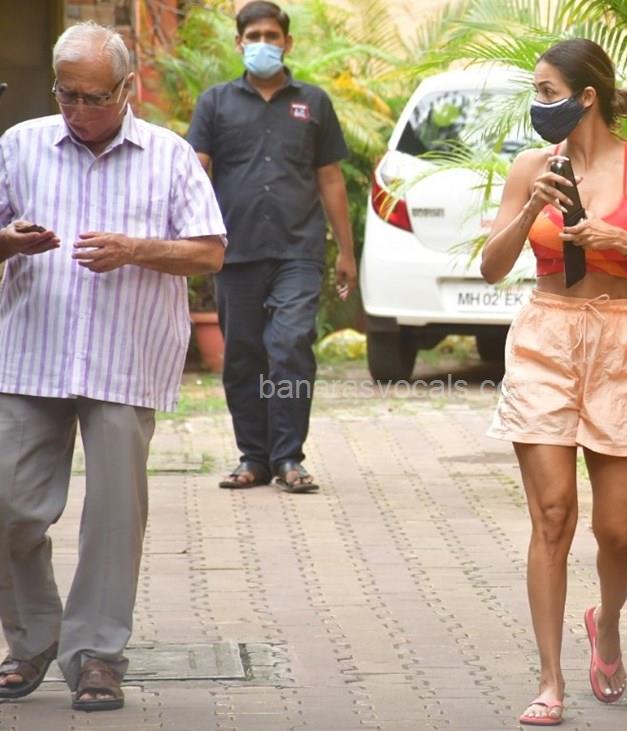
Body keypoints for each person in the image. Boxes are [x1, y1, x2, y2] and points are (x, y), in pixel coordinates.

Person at [0, 22, 226, 711]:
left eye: (94, 97)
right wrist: (8, 242)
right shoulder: (19, 145)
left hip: (124, 358)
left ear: (127, 88)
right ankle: (32, 637)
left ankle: (97, 654)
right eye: (66, 94)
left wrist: (136, 249)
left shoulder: (170, 156)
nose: (78, 110)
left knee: (113, 515)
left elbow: (210, 251)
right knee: (8, 504)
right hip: (31, 354)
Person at [482, 39, 627, 726]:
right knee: (552, 516)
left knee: (621, 529)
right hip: (545, 339)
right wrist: (528, 210)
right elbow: (491, 266)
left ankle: (606, 622)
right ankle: (550, 679)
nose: (537, 104)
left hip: (618, 343)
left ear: (587, 96)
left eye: (546, 92)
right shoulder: (530, 166)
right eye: (535, 92)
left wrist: (621, 240)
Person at [186, 1, 357, 493]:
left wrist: (347, 253)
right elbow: (195, 172)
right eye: (254, 36)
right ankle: (254, 458)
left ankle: (288, 458)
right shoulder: (215, 103)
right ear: (239, 43)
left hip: (298, 251)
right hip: (234, 250)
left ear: (287, 42)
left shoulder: (314, 103)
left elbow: (330, 178)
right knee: (242, 355)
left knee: (290, 346)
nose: (263, 44)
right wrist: (186, 242)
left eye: (272, 35)